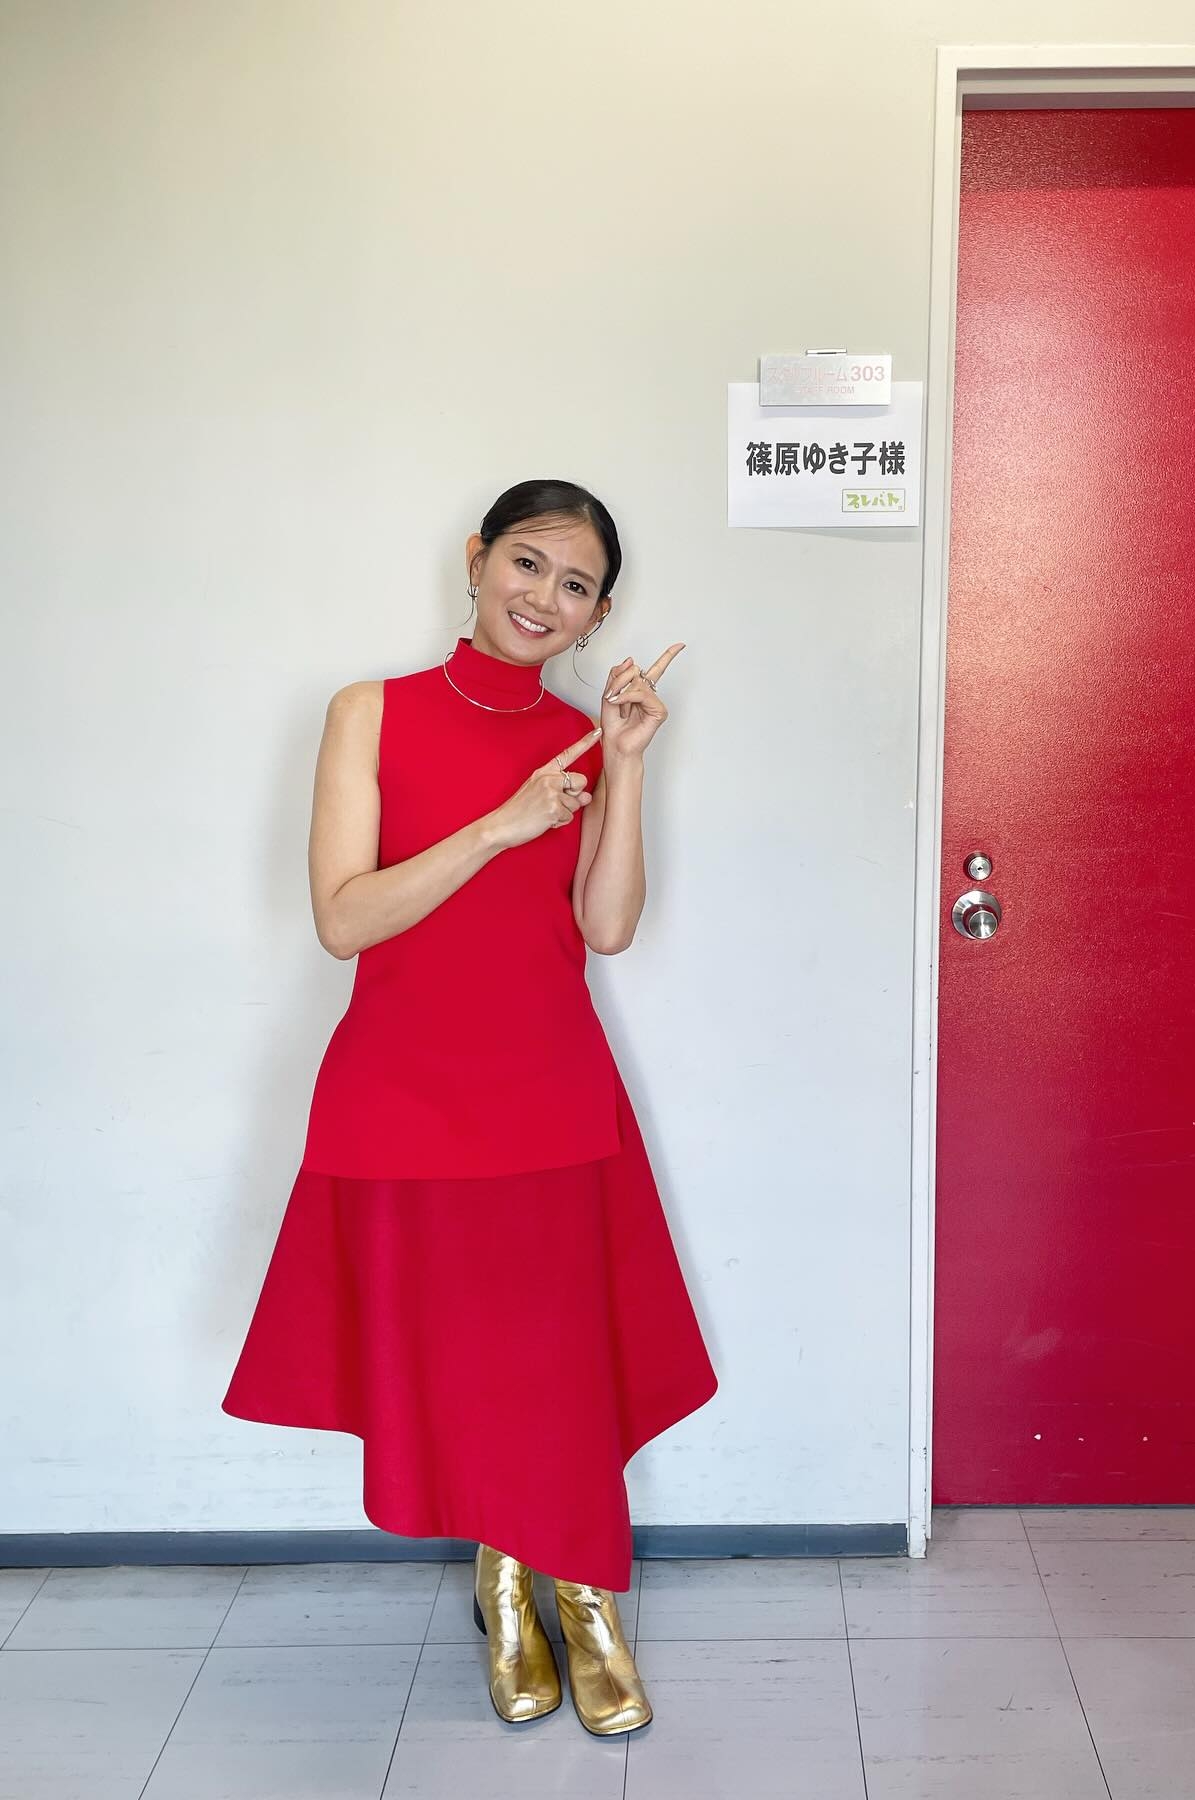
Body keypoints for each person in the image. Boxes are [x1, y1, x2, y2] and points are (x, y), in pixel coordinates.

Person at [221, 478, 719, 1736]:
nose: (544, 597)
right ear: (477, 557)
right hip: (403, 1088)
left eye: (577, 586)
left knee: (559, 1358)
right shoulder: (368, 712)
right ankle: (505, 1584)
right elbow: (345, 919)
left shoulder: (581, 742)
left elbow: (607, 926)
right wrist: (502, 825)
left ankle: (582, 1594)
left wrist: (624, 763)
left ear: (599, 615)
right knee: (462, 1359)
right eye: (529, 562)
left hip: (550, 1083)